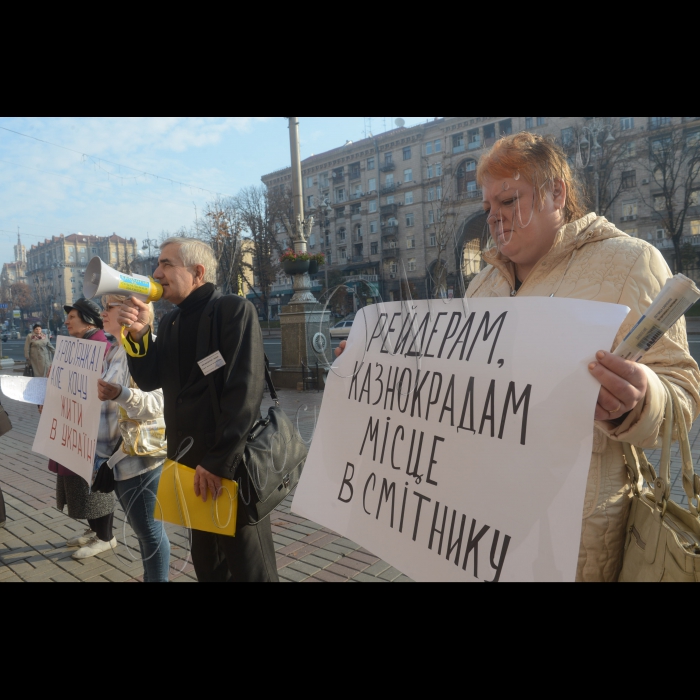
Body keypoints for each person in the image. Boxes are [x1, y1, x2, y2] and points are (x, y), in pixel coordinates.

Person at [337, 132, 700, 583]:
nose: (494, 217)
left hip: (575, 535)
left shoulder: (629, 263)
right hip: (478, 529)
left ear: (556, 192)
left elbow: (682, 392)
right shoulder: (481, 286)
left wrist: (644, 400)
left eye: (508, 200)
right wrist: (382, 364)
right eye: (489, 207)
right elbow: (452, 388)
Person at [117, 237, 279, 583]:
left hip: (228, 466)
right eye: (158, 264)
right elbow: (148, 379)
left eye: (166, 264)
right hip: (189, 468)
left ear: (198, 272)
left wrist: (219, 462)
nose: (156, 273)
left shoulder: (233, 310)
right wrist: (140, 334)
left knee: (251, 569)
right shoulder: (171, 321)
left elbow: (245, 391)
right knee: (208, 567)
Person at [96, 295, 171, 582]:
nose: (102, 313)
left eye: (109, 308)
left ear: (132, 311)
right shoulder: (114, 350)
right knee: (144, 532)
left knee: (149, 533)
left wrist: (121, 394)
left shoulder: (145, 349)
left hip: (138, 459)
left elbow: (158, 403)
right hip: (118, 459)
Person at [47, 299, 126, 560]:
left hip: (94, 432)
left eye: (72, 317)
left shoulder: (100, 345)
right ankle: (96, 531)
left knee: (93, 485)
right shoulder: (80, 345)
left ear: (89, 321)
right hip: (76, 426)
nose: (67, 321)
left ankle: (106, 537)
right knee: (79, 485)